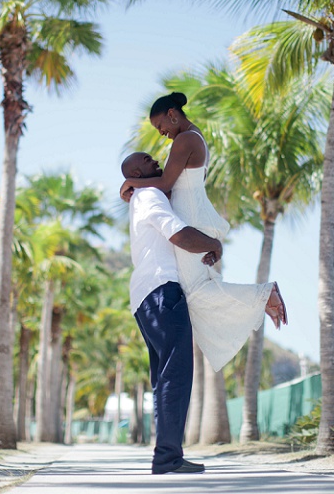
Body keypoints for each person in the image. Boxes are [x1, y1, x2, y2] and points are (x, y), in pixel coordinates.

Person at [120, 92, 287, 372]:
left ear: (173, 114)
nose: (162, 133)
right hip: (191, 213)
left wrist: (130, 182)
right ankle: (261, 297)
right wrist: (134, 187)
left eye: (162, 126)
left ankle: (264, 294)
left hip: (190, 218)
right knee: (196, 291)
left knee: (195, 293)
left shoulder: (186, 139)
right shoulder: (188, 138)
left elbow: (165, 182)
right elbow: (167, 185)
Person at [122, 151, 220, 475]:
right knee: (176, 376)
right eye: (149, 160)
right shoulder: (149, 195)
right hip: (163, 291)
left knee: (165, 378)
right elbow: (176, 233)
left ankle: (167, 455)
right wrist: (213, 244)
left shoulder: (140, 197)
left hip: (145, 297)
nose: (157, 161)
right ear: (138, 171)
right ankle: (167, 456)